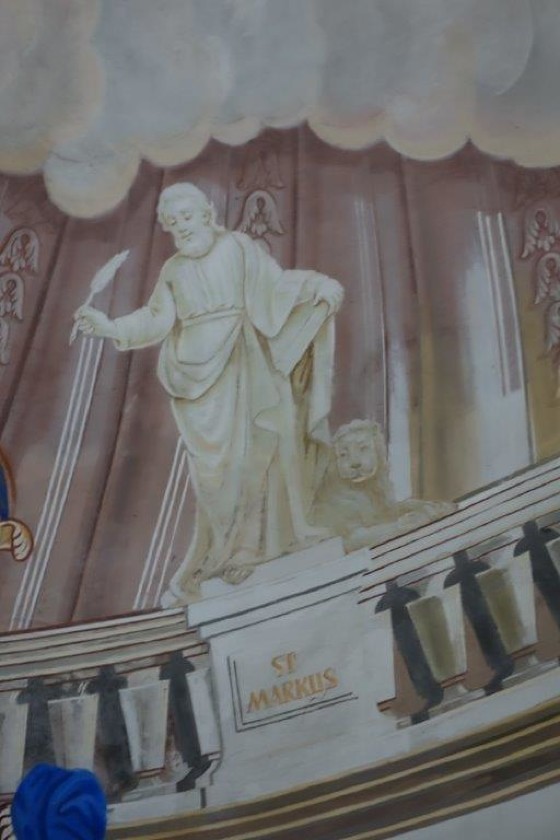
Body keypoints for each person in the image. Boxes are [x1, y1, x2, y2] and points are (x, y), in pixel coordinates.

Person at [75, 183, 343, 603]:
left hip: (244, 361)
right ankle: (226, 547)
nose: (181, 226)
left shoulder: (236, 247)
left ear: (206, 214)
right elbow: (156, 319)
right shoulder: (172, 270)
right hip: (198, 385)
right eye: (173, 221)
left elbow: (274, 286)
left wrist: (315, 286)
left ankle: (250, 547)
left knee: (257, 454)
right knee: (215, 476)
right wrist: (110, 327)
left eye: (187, 216)